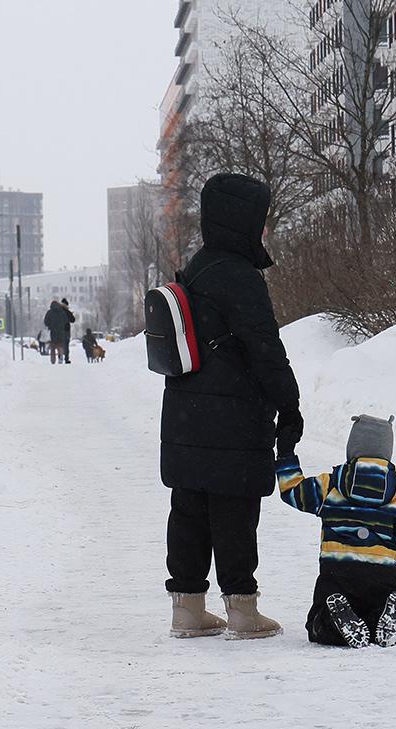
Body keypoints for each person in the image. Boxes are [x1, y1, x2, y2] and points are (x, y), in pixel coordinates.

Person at [161, 172, 303, 640]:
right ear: (241, 221)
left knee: (188, 507)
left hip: (185, 411)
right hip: (233, 415)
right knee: (234, 510)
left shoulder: (197, 266)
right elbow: (265, 347)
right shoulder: (239, 276)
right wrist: (290, 402)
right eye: (258, 220)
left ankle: (188, 609)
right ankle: (242, 609)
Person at [275, 415, 396, 648]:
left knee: (316, 625)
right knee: (375, 622)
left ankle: (333, 621)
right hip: (382, 578)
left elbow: (293, 491)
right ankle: (393, 616)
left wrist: (285, 455)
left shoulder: (330, 487)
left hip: (338, 575)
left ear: (352, 449)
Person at [43, 299, 69, 364]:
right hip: (61, 332)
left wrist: (50, 325)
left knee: (53, 347)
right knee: (60, 346)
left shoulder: (49, 312)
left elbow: (46, 322)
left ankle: (53, 360)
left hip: (52, 332)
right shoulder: (62, 312)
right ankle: (60, 357)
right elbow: (66, 321)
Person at [60, 298, 76, 364]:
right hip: (66, 330)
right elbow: (73, 320)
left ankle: (60, 357)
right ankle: (66, 358)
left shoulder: (58, 310)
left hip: (59, 330)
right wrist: (71, 314)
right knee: (66, 345)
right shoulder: (67, 311)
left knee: (60, 344)